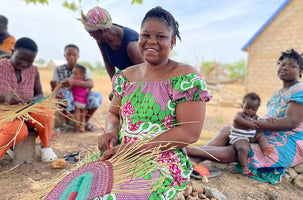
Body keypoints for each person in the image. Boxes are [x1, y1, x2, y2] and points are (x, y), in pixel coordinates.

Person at [47, 6, 212, 200]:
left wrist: (135, 149)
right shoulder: (125, 76)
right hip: (120, 152)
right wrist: (111, 132)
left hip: (160, 160)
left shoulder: (185, 76)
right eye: (146, 35)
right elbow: (114, 113)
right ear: (139, 37)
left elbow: (189, 132)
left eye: (160, 36)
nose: (151, 41)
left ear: (172, 41)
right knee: (75, 190)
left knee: (111, 196)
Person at [187, 48, 303, 184]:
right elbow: (267, 120)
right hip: (270, 134)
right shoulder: (277, 93)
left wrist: (251, 124)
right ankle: (194, 159)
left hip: (292, 142)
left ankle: (187, 150)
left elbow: (291, 122)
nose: (285, 68)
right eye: (282, 64)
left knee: (243, 148)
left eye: (292, 66)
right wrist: (249, 124)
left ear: (301, 71)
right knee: (229, 131)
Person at [0, 37, 57, 162]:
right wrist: (5, 97)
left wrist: (33, 99)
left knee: (45, 112)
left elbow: (40, 94)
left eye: (30, 61)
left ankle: (46, 147)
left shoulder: (34, 71)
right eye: (21, 58)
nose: (25, 64)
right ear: (12, 52)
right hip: (4, 114)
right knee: (18, 131)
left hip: (27, 112)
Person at [79, 6, 144, 100]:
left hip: (141, 81)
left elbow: (145, 72)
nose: (91, 36)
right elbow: (107, 63)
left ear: (101, 31)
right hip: (127, 80)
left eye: (91, 33)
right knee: (113, 99)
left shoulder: (131, 45)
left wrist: (130, 92)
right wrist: (115, 88)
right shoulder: (101, 40)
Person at [50, 44, 102, 132]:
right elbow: (55, 88)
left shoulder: (83, 69)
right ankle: (68, 124)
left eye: (74, 55)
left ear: (78, 56)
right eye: (68, 54)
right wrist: (54, 86)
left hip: (81, 97)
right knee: (64, 94)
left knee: (96, 96)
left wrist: (73, 82)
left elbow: (90, 84)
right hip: (67, 100)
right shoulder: (58, 69)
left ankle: (84, 123)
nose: (71, 57)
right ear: (64, 55)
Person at [230, 92, 273, 175]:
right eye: (247, 108)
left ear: (257, 109)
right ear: (242, 105)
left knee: (260, 134)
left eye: (253, 109)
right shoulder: (239, 115)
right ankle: (244, 166)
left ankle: (265, 148)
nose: (250, 111)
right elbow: (238, 120)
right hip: (239, 137)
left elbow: (261, 122)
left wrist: (267, 120)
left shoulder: (256, 117)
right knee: (244, 148)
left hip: (250, 137)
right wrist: (249, 124)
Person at [70, 65, 89, 132]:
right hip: (84, 101)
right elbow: (87, 91)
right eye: (73, 73)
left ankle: (77, 127)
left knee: (77, 114)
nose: (73, 75)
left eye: (75, 74)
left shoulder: (74, 82)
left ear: (82, 75)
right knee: (83, 115)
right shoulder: (84, 83)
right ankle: (82, 127)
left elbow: (70, 89)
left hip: (76, 101)